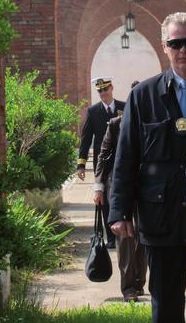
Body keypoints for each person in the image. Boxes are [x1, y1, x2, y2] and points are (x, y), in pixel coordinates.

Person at [108, 13, 186, 323]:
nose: (183, 51)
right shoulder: (143, 96)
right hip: (160, 216)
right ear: (164, 46)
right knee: (165, 302)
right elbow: (127, 156)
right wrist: (119, 210)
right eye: (175, 44)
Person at [95, 80, 147, 302]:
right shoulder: (115, 125)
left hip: (146, 187)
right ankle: (127, 288)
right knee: (124, 237)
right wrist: (98, 187)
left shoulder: (151, 123)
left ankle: (138, 282)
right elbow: (103, 156)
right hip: (119, 186)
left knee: (143, 236)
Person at [78, 76, 124, 247]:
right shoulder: (93, 111)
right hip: (102, 162)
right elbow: (86, 139)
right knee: (103, 198)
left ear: (111, 88)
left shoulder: (123, 108)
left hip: (121, 160)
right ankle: (111, 237)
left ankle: (122, 232)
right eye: (100, 91)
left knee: (119, 195)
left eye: (105, 89)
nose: (103, 93)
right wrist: (81, 164)